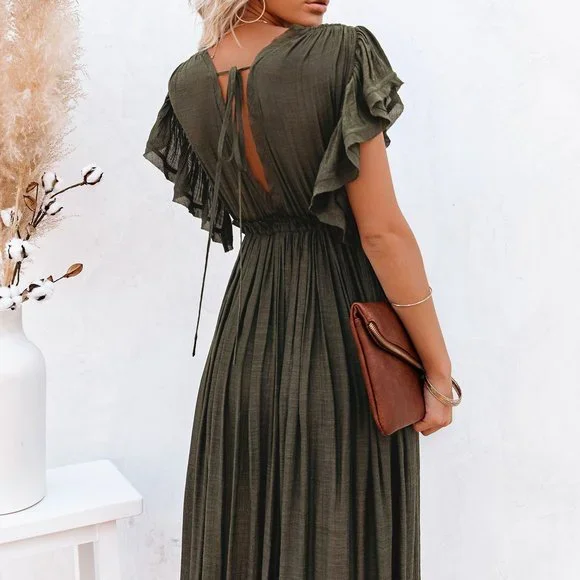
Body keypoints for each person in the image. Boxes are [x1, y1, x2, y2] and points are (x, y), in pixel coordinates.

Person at [144, 0, 456, 577]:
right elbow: (382, 232)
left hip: (244, 341)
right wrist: (439, 373)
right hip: (340, 342)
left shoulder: (188, 83)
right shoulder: (341, 53)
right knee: (343, 533)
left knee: (247, 528)